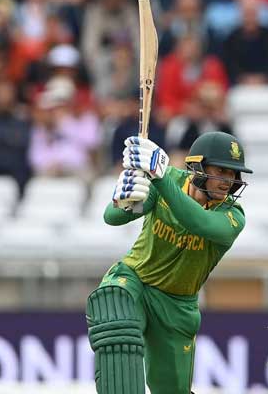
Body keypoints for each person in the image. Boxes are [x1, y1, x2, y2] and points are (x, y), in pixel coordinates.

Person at [85, 131, 251, 394]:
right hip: (135, 280)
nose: (227, 181)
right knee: (115, 304)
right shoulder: (167, 179)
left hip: (177, 306)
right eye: (221, 171)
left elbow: (199, 222)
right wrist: (124, 200)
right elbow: (111, 218)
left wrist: (159, 177)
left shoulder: (233, 216)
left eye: (232, 174)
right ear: (198, 167)